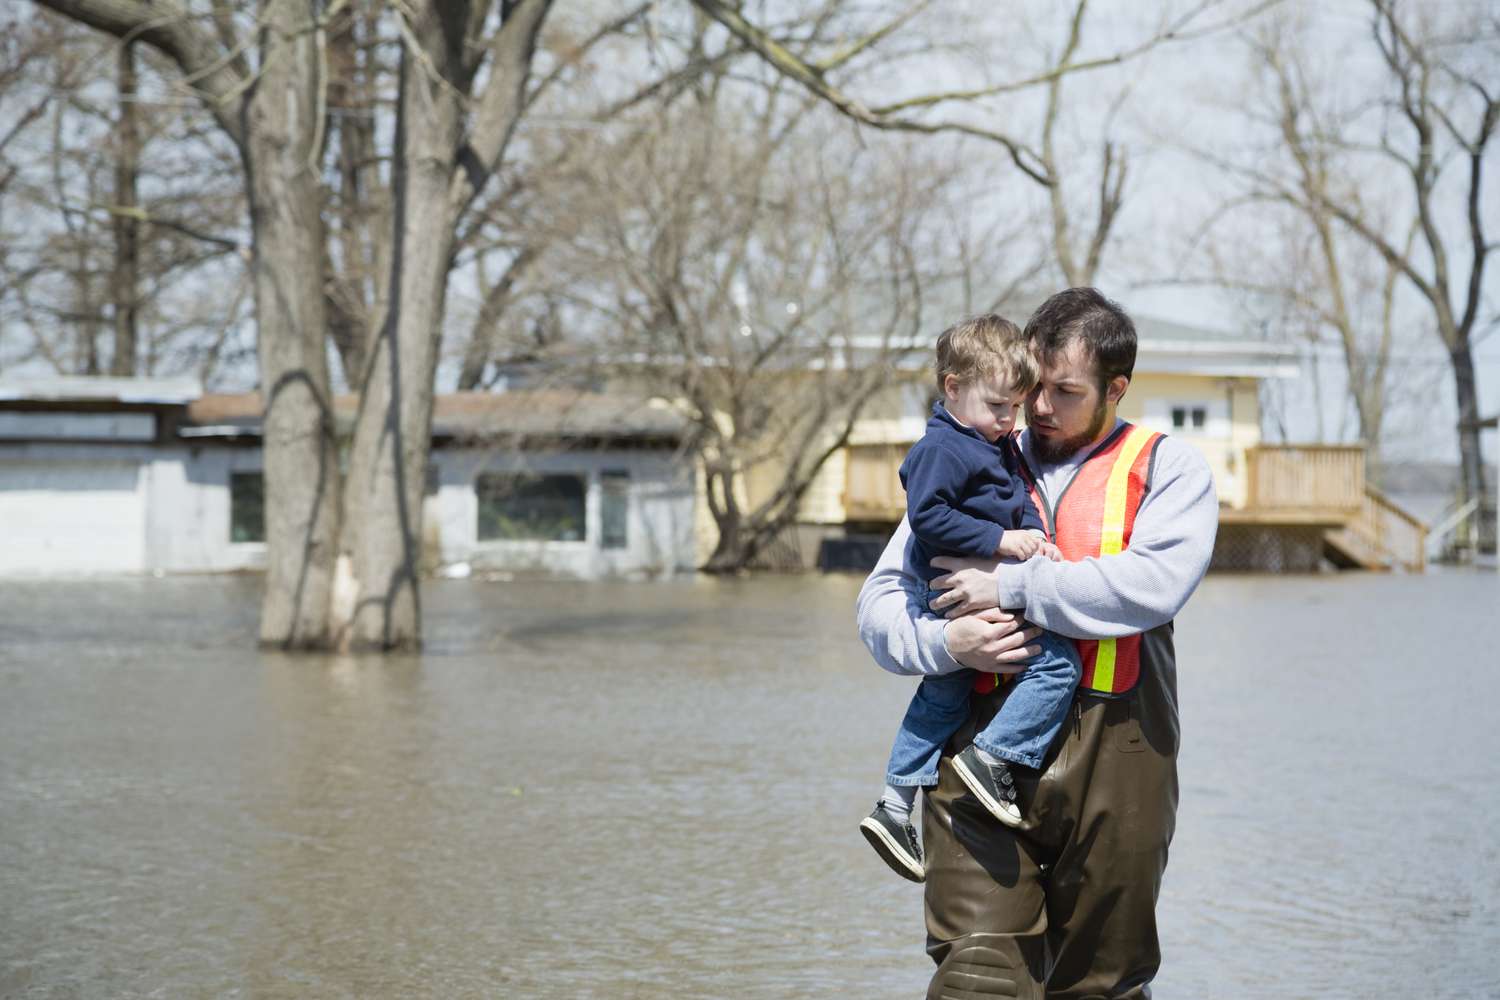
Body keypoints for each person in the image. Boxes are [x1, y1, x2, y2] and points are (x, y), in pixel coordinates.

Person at [855, 287, 1219, 999]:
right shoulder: (967, 454)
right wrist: (946, 643)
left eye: (1065, 391)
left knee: (1101, 983)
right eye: (1032, 387)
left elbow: (1151, 585)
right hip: (974, 751)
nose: (1039, 408)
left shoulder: (1171, 468)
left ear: (1116, 389)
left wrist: (1012, 588)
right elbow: (877, 608)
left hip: (1120, 753)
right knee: (977, 978)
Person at [859, 314, 1083, 884]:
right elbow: (928, 516)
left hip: (969, 585)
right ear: (952, 388)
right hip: (953, 587)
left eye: (1015, 407)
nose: (1011, 420)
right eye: (998, 406)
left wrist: (1036, 540)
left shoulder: (991, 442)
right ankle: (995, 756)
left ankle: (893, 803)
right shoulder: (942, 448)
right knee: (1058, 664)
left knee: (944, 694)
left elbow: (1016, 501)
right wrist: (1003, 542)